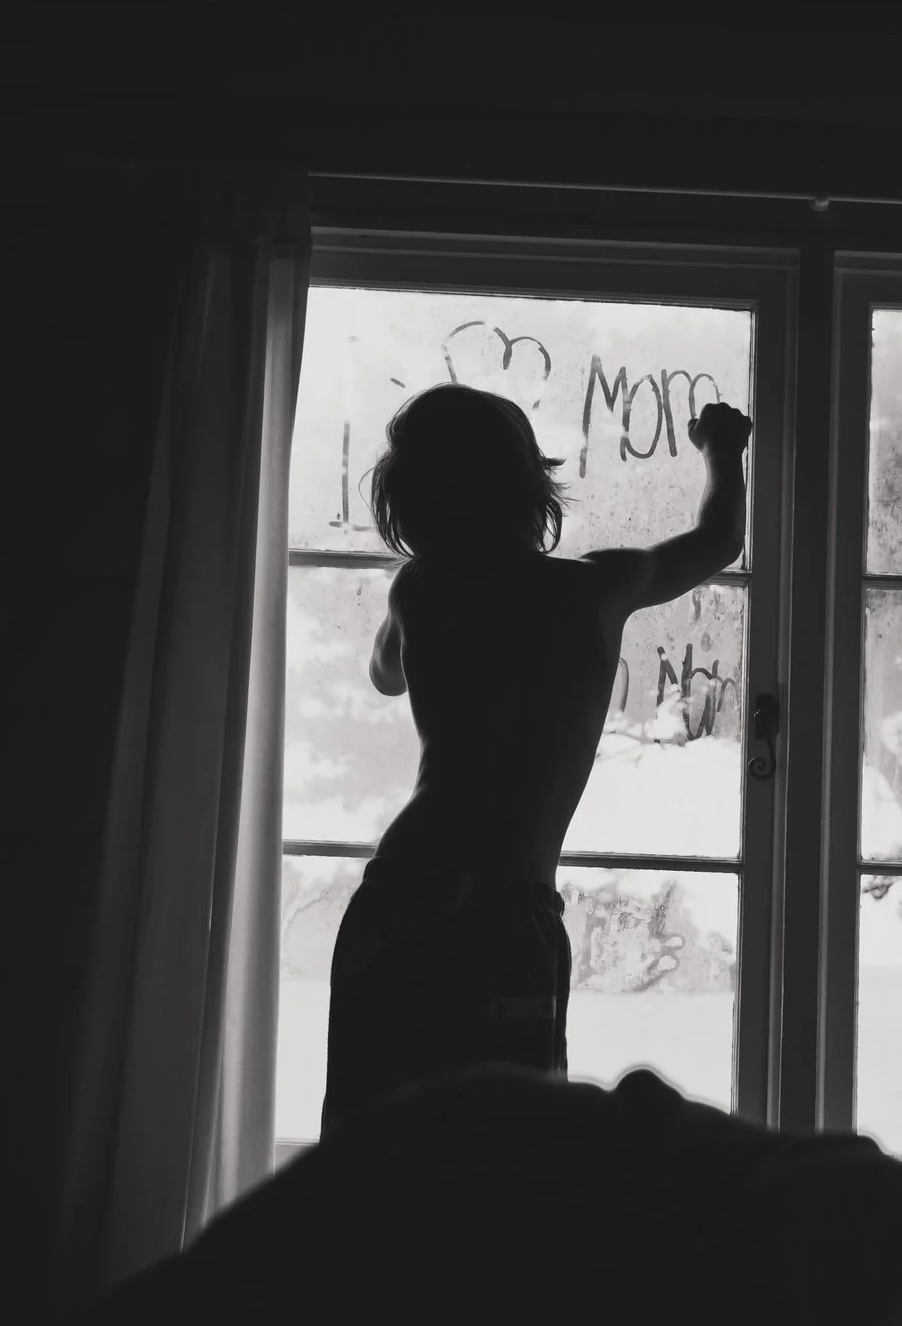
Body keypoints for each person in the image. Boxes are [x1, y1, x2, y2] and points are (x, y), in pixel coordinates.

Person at [320, 382, 752, 1134]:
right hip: (504, 905)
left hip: (401, 894)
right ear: (532, 486)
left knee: (374, 1144)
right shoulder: (590, 589)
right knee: (507, 1151)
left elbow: (385, 674)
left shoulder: (419, 589)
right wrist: (722, 449)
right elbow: (718, 540)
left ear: (408, 500)